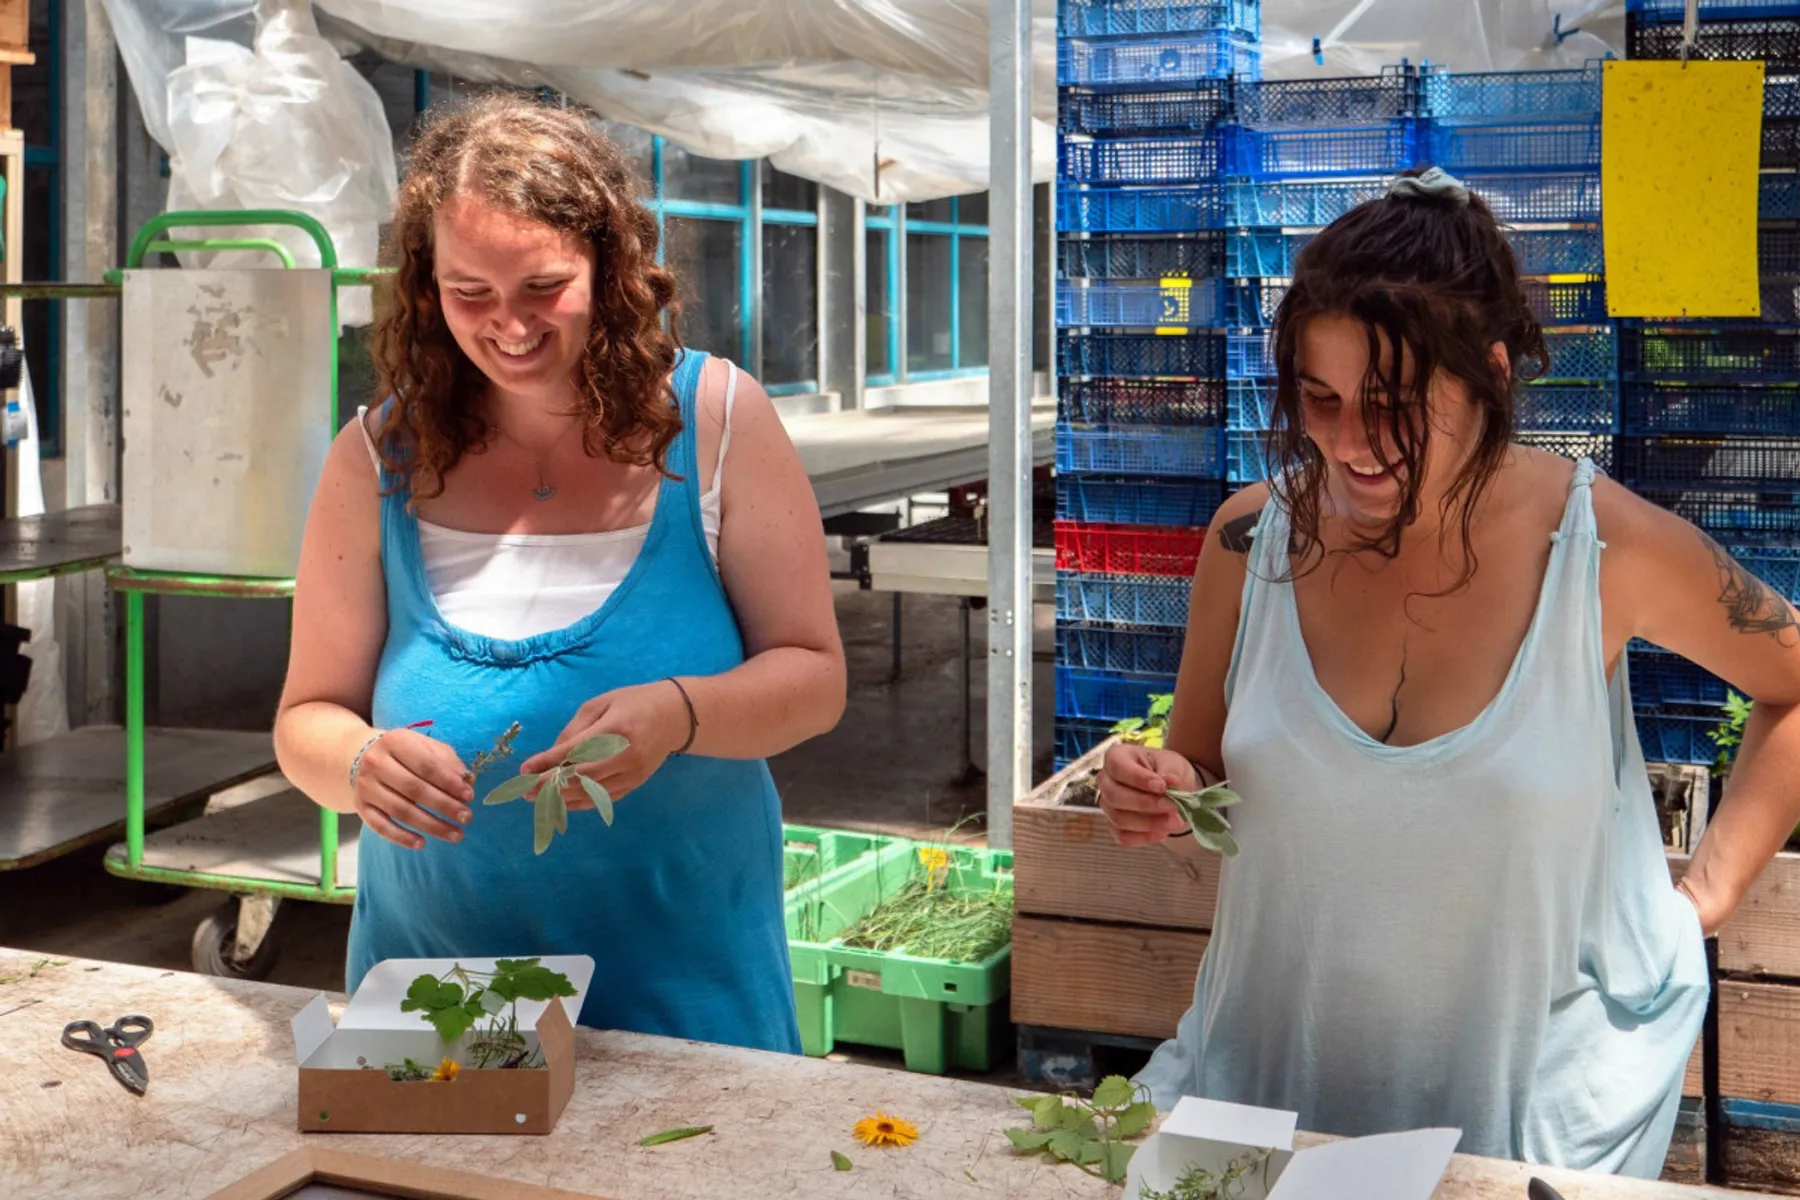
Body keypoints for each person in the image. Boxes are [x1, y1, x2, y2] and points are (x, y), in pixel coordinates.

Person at [1097, 166, 1800, 1175]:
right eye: (1320, 398)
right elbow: (1201, 766)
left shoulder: (1603, 548)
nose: (1347, 444)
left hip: (1525, 1134)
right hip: (1263, 1102)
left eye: (1391, 402)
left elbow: (1793, 681)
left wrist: (1707, 895)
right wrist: (1163, 789)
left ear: (1495, 378)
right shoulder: (1248, 543)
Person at [273, 92, 846, 1054]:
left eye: (543, 286)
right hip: (437, 1004)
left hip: (683, 1001)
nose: (508, 326)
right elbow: (306, 722)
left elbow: (814, 676)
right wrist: (361, 763)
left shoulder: (716, 422)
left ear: (609, 265)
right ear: (425, 285)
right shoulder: (376, 459)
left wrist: (680, 714)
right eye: (470, 293)